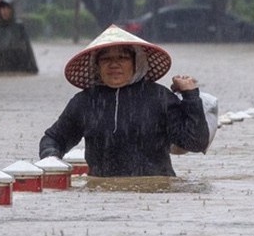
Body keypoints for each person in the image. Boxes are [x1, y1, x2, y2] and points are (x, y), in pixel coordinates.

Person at [35, 26, 210, 177]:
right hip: (101, 193)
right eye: (106, 59)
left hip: (155, 193)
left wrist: (191, 96)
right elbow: (53, 139)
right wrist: (51, 159)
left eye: (122, 58)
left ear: (136, 62)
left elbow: (196, 142)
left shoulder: (160, 97)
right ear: (97, 65)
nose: (114, 64)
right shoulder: (85, 102)